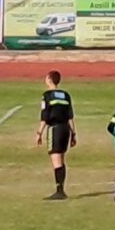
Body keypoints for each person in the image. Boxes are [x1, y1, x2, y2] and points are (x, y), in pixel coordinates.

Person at [34, 70, 76, 200]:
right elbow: (70, 116)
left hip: (55, 129)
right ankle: (61, 188)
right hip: (65, 129)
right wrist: (74, 133)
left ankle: (60, 190)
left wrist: (39, 132)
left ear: (49, 79)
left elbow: (45, 115)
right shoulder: (65, 95)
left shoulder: (47, 95)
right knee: (61, 159)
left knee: (56, 160)